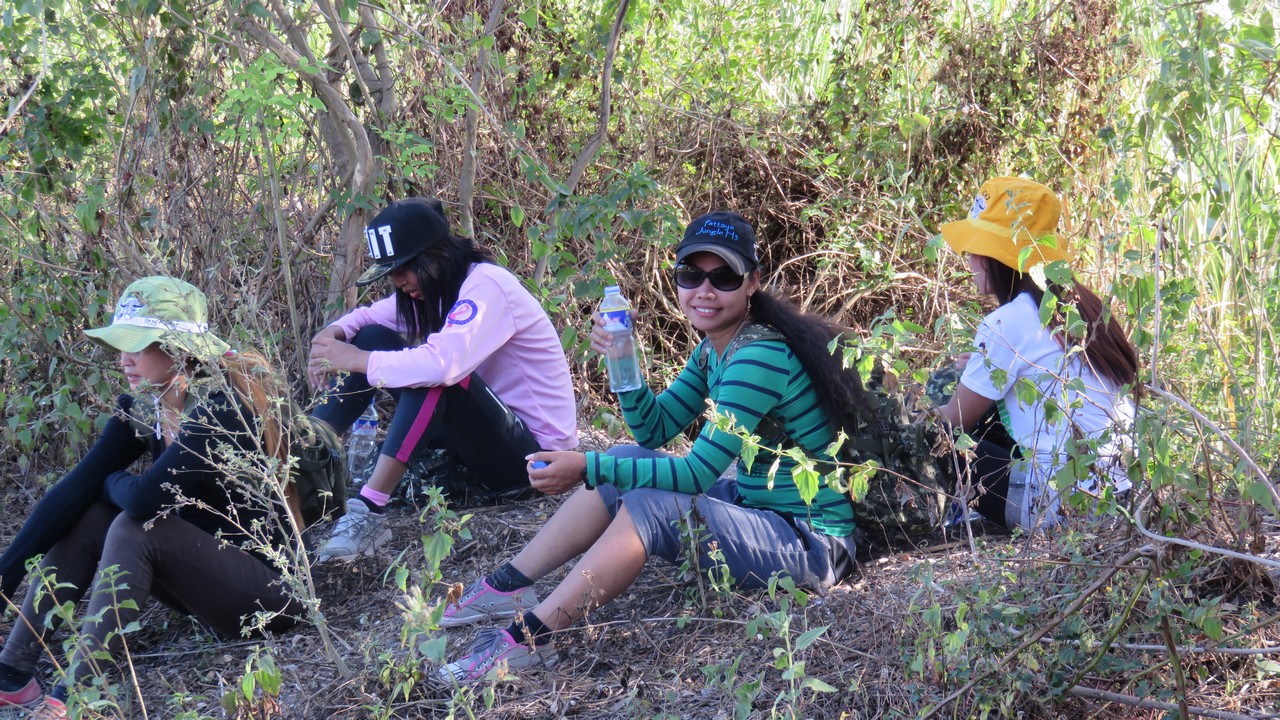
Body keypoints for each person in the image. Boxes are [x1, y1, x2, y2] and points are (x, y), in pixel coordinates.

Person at [433, 211, 866, 684]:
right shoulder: (715, 348)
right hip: (759, 508)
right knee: (623, 459)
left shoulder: (758, 356)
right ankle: (506, 587)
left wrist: (585, 467)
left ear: (752, 283)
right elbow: (652, 431)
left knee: (649, 505)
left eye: (723, 276)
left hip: (812, 542)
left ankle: (529, 641)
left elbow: (698, 474)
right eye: (690, 275)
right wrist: (623, 358)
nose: (704, 290)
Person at [0, 277, 303, 718]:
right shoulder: (145, 406)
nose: (124, 360)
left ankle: (77, 696)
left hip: (271, 596)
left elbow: (143, 503)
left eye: (137, 347)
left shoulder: (223, 408)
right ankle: (12, 673)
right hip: (206, 586)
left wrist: (109, 483)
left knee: (131, 523)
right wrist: (6, 574)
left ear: (178, 350)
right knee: (93, 511)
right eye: (121, 347)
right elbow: (73, 489)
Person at [306, 198, 578, 562]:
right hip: (482, 442)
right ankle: (306, 461)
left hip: (536, 460)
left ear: (435, 254)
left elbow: (443, 366)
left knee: (436, 376)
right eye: (391, 273)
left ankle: (368, 512)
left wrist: (357, 360)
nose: (398, 282)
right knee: (372, 337)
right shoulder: (437, 290)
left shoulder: (487, 286)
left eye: (404, 269)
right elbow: (368, 319)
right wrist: (330, 337)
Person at [935, 177, 1139, 529]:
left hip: (1062, 506)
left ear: (996, 256)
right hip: (1123, 495)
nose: (969, 259)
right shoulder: (1083, 304)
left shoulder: (1007, 322)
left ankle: (941, 514)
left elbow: (952, 421)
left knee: (934, 436)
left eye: (975, 248)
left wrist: (901, 413)